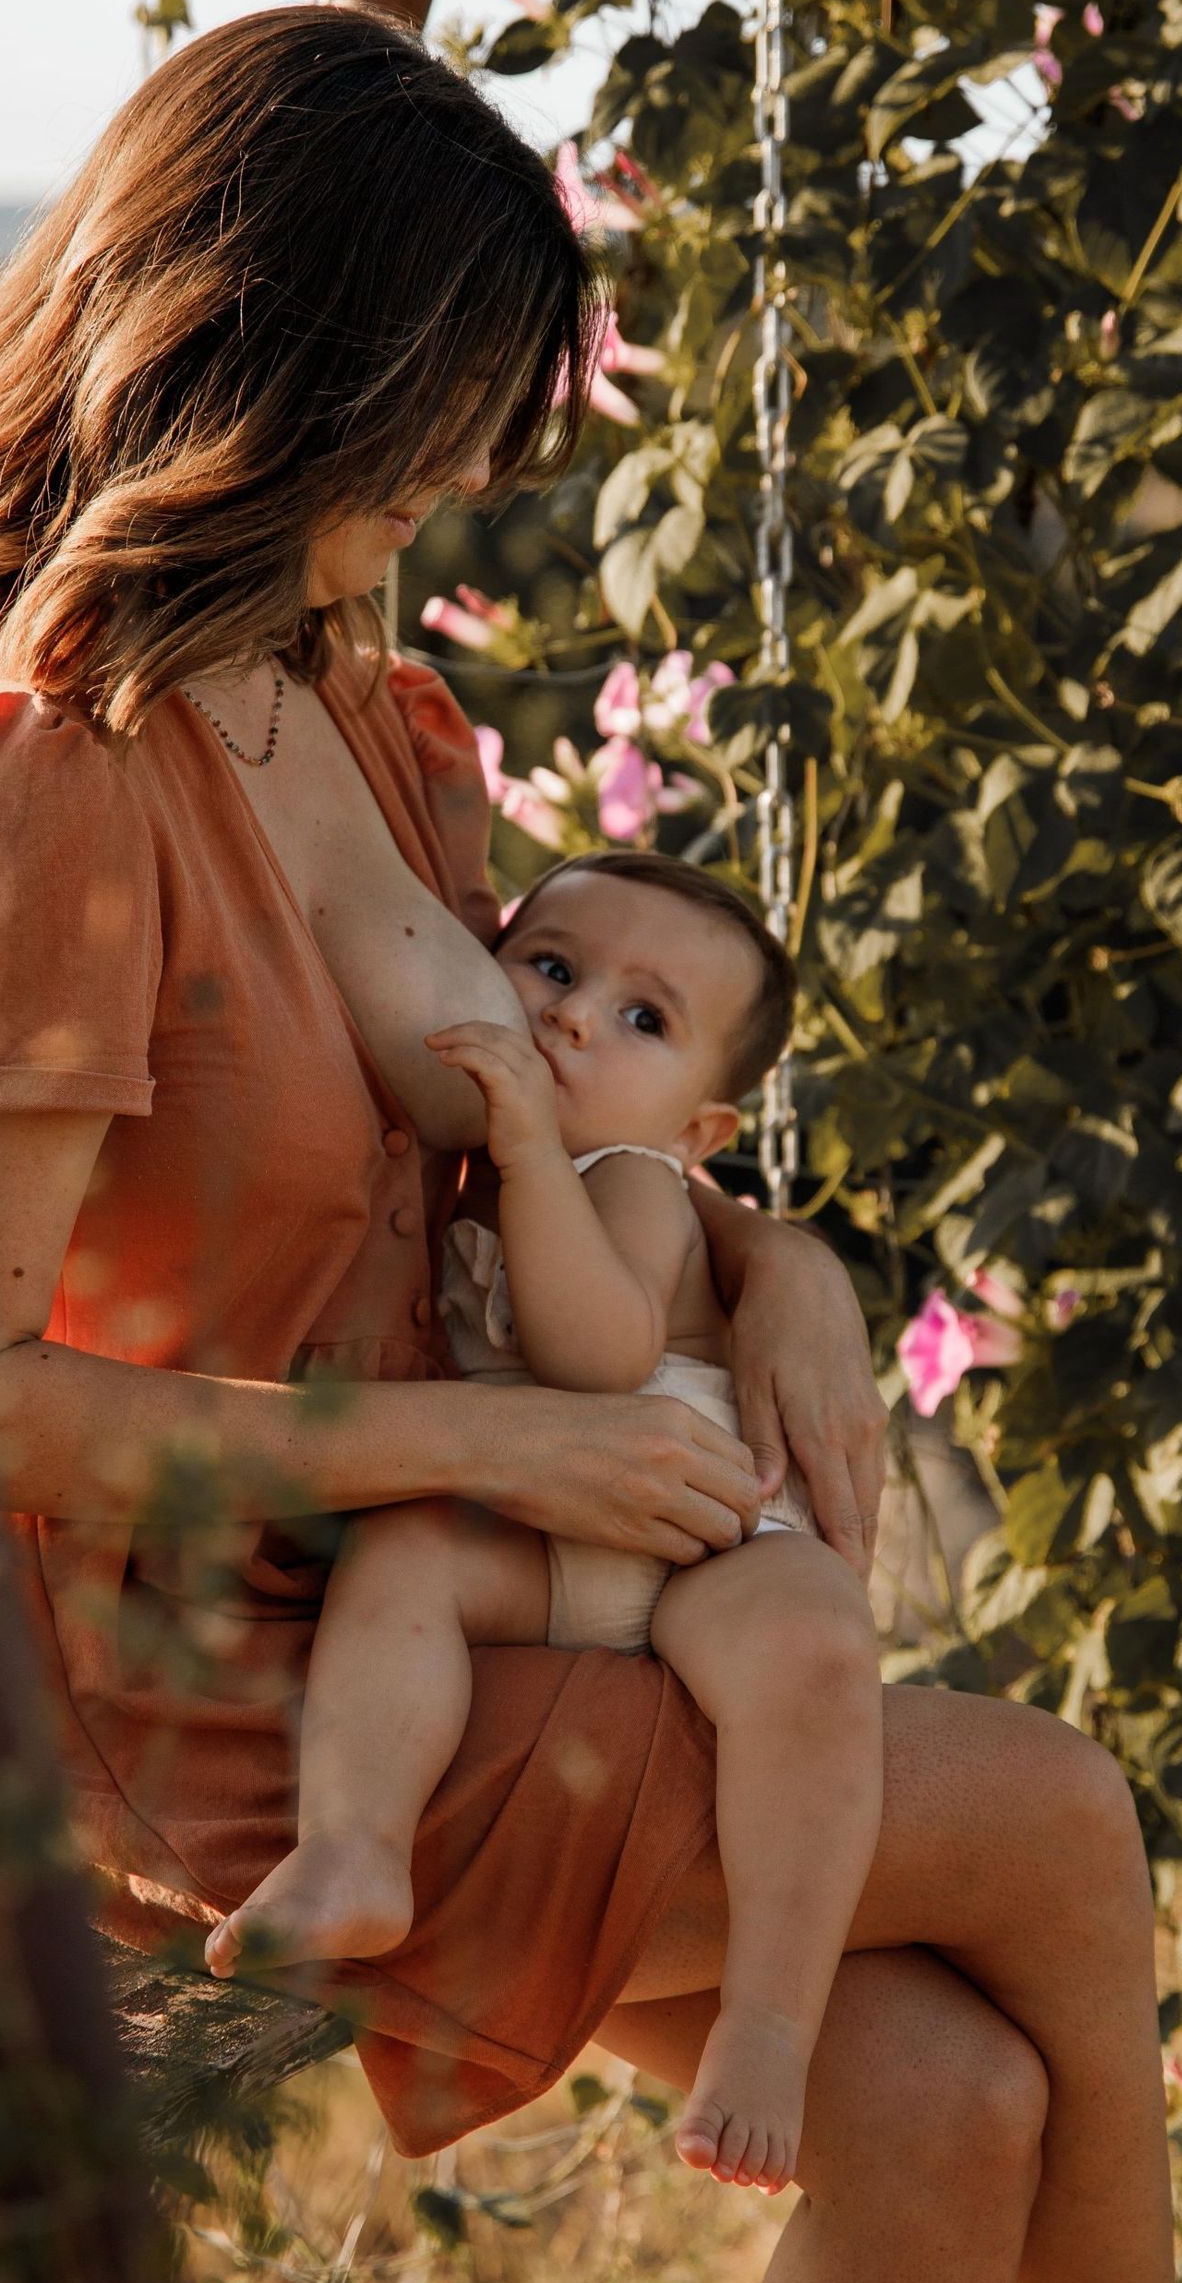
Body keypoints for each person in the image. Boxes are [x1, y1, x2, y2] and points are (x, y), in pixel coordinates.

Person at [0, 3, 1182, 2283]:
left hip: (469, 1598)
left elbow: (528, 1124)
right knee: (1052, 1826)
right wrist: (498, 1441)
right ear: (277, 353)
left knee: (948, 2094)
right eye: (452, 395)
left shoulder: (354, 711)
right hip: (222, 1692)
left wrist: (767, 1256)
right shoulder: (52, 772)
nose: (488, 465)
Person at [215, 852, 884, 2197]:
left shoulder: (631, 1181)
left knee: (812, 1651)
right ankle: (357, 1843)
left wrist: (530, 1151)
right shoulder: (467, 1174)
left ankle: (766, 2022)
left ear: (702, 1134)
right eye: (555, 969)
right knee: (404, 1562)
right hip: (540, 1533)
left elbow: (599, 1351)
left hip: (705, 1529)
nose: (576, 1018)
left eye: (645, 1019)